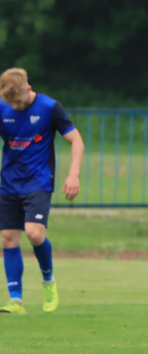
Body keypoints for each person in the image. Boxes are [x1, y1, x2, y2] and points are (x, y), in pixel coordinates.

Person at [0, 68, 84, 315]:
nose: (14, 106)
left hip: (37, 181)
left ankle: (48, 279)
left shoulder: (49, 108)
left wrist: (73, 174)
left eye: (17, 101)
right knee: (7, 238)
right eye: (9, 102)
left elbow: (76, 140)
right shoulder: (3, 107)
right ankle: (15, 300)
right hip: (8, 182)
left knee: (34, 234)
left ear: (28, 88)